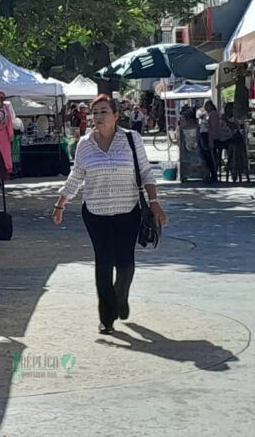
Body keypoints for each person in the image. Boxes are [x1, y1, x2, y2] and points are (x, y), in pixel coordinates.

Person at [52, 95, 168, 335]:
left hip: (128, 210)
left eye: (104, 111)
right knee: (103, 262)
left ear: (116, 115)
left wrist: (155, 202)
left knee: (125, 264)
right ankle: (107, 317)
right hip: (95, 213)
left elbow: (145, 172)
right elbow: (76, 176)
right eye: (95, 112)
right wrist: (61, 203)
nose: (98, 116)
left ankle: (121, 296)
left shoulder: (130, 139)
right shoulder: (84, 143)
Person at [198, 101, 221, 183]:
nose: (206, 107)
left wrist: (211, 140)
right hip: (205, 136)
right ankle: (210, 174)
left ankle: (213, 175)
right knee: (207, 157)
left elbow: (212, 129)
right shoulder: (207, 114)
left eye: (208, 105)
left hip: (209, 138)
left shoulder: (213, 114)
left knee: (210, 157)